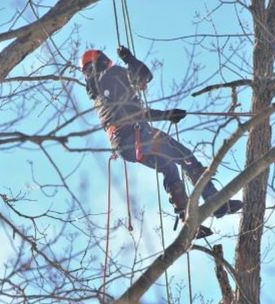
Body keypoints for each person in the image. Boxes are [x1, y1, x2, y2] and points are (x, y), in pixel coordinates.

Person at [80, 46, 242, 238]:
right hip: (136, 135)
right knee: (184, 155)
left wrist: (166, 115)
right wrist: (129, 59)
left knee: (168, 166)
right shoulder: (112, 76)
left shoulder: (97, 92)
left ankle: (188, 220)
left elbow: (132, 111)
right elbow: (144, 78)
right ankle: (215, 201)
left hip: (125, 145)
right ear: (102, 61)